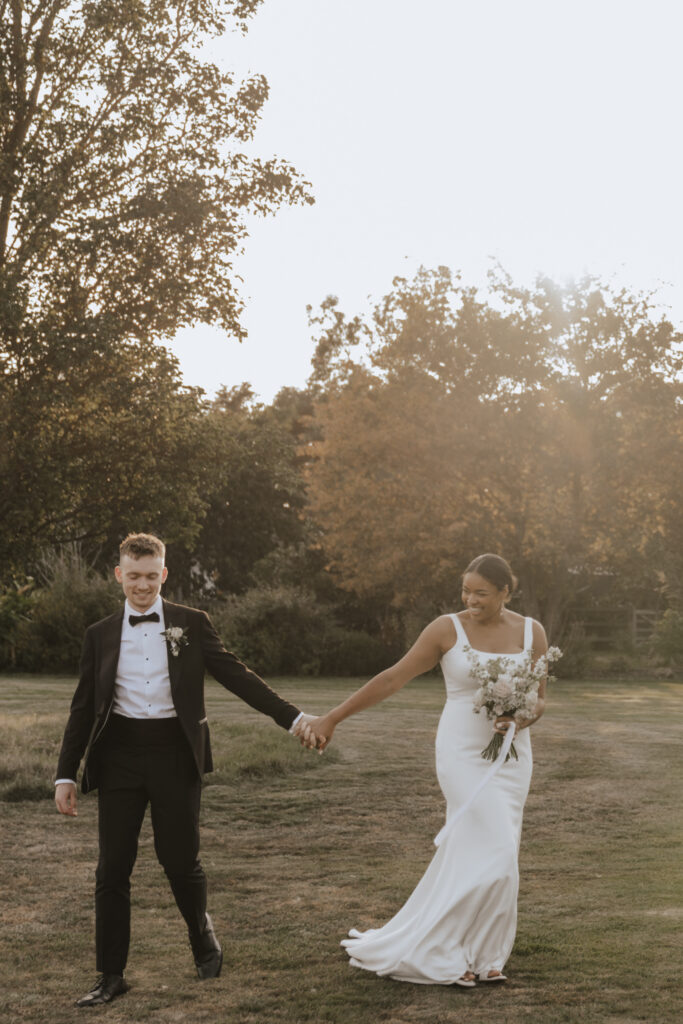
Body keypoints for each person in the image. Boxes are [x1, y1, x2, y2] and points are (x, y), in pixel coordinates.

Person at [55, 532, 319, 1007]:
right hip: (119, 758)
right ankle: (110, 975)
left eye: (150, 576)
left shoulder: (191, 623)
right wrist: (65, 774)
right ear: (118, 575)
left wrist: (294, 718)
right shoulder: (99, 634)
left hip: (175, 755)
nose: (142, 585)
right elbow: (82, 707)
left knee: (179, 861)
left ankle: (202, 936)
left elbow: (237, 676)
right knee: (112, 868)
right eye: (133, 576)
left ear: (164, 574)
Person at [302, 553, 548, 987]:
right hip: (461, 751)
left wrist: (520, 717)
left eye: (482, 593)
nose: (471, 600)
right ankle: (441, 952)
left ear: (506, 592)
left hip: (512, 756)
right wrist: (333, 717)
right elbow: (393, 678)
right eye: (465, 591)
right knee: (495, 851)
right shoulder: (445, 629)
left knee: (496, 849)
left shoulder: (533, 632)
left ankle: (487, 955)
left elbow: (539, 699)